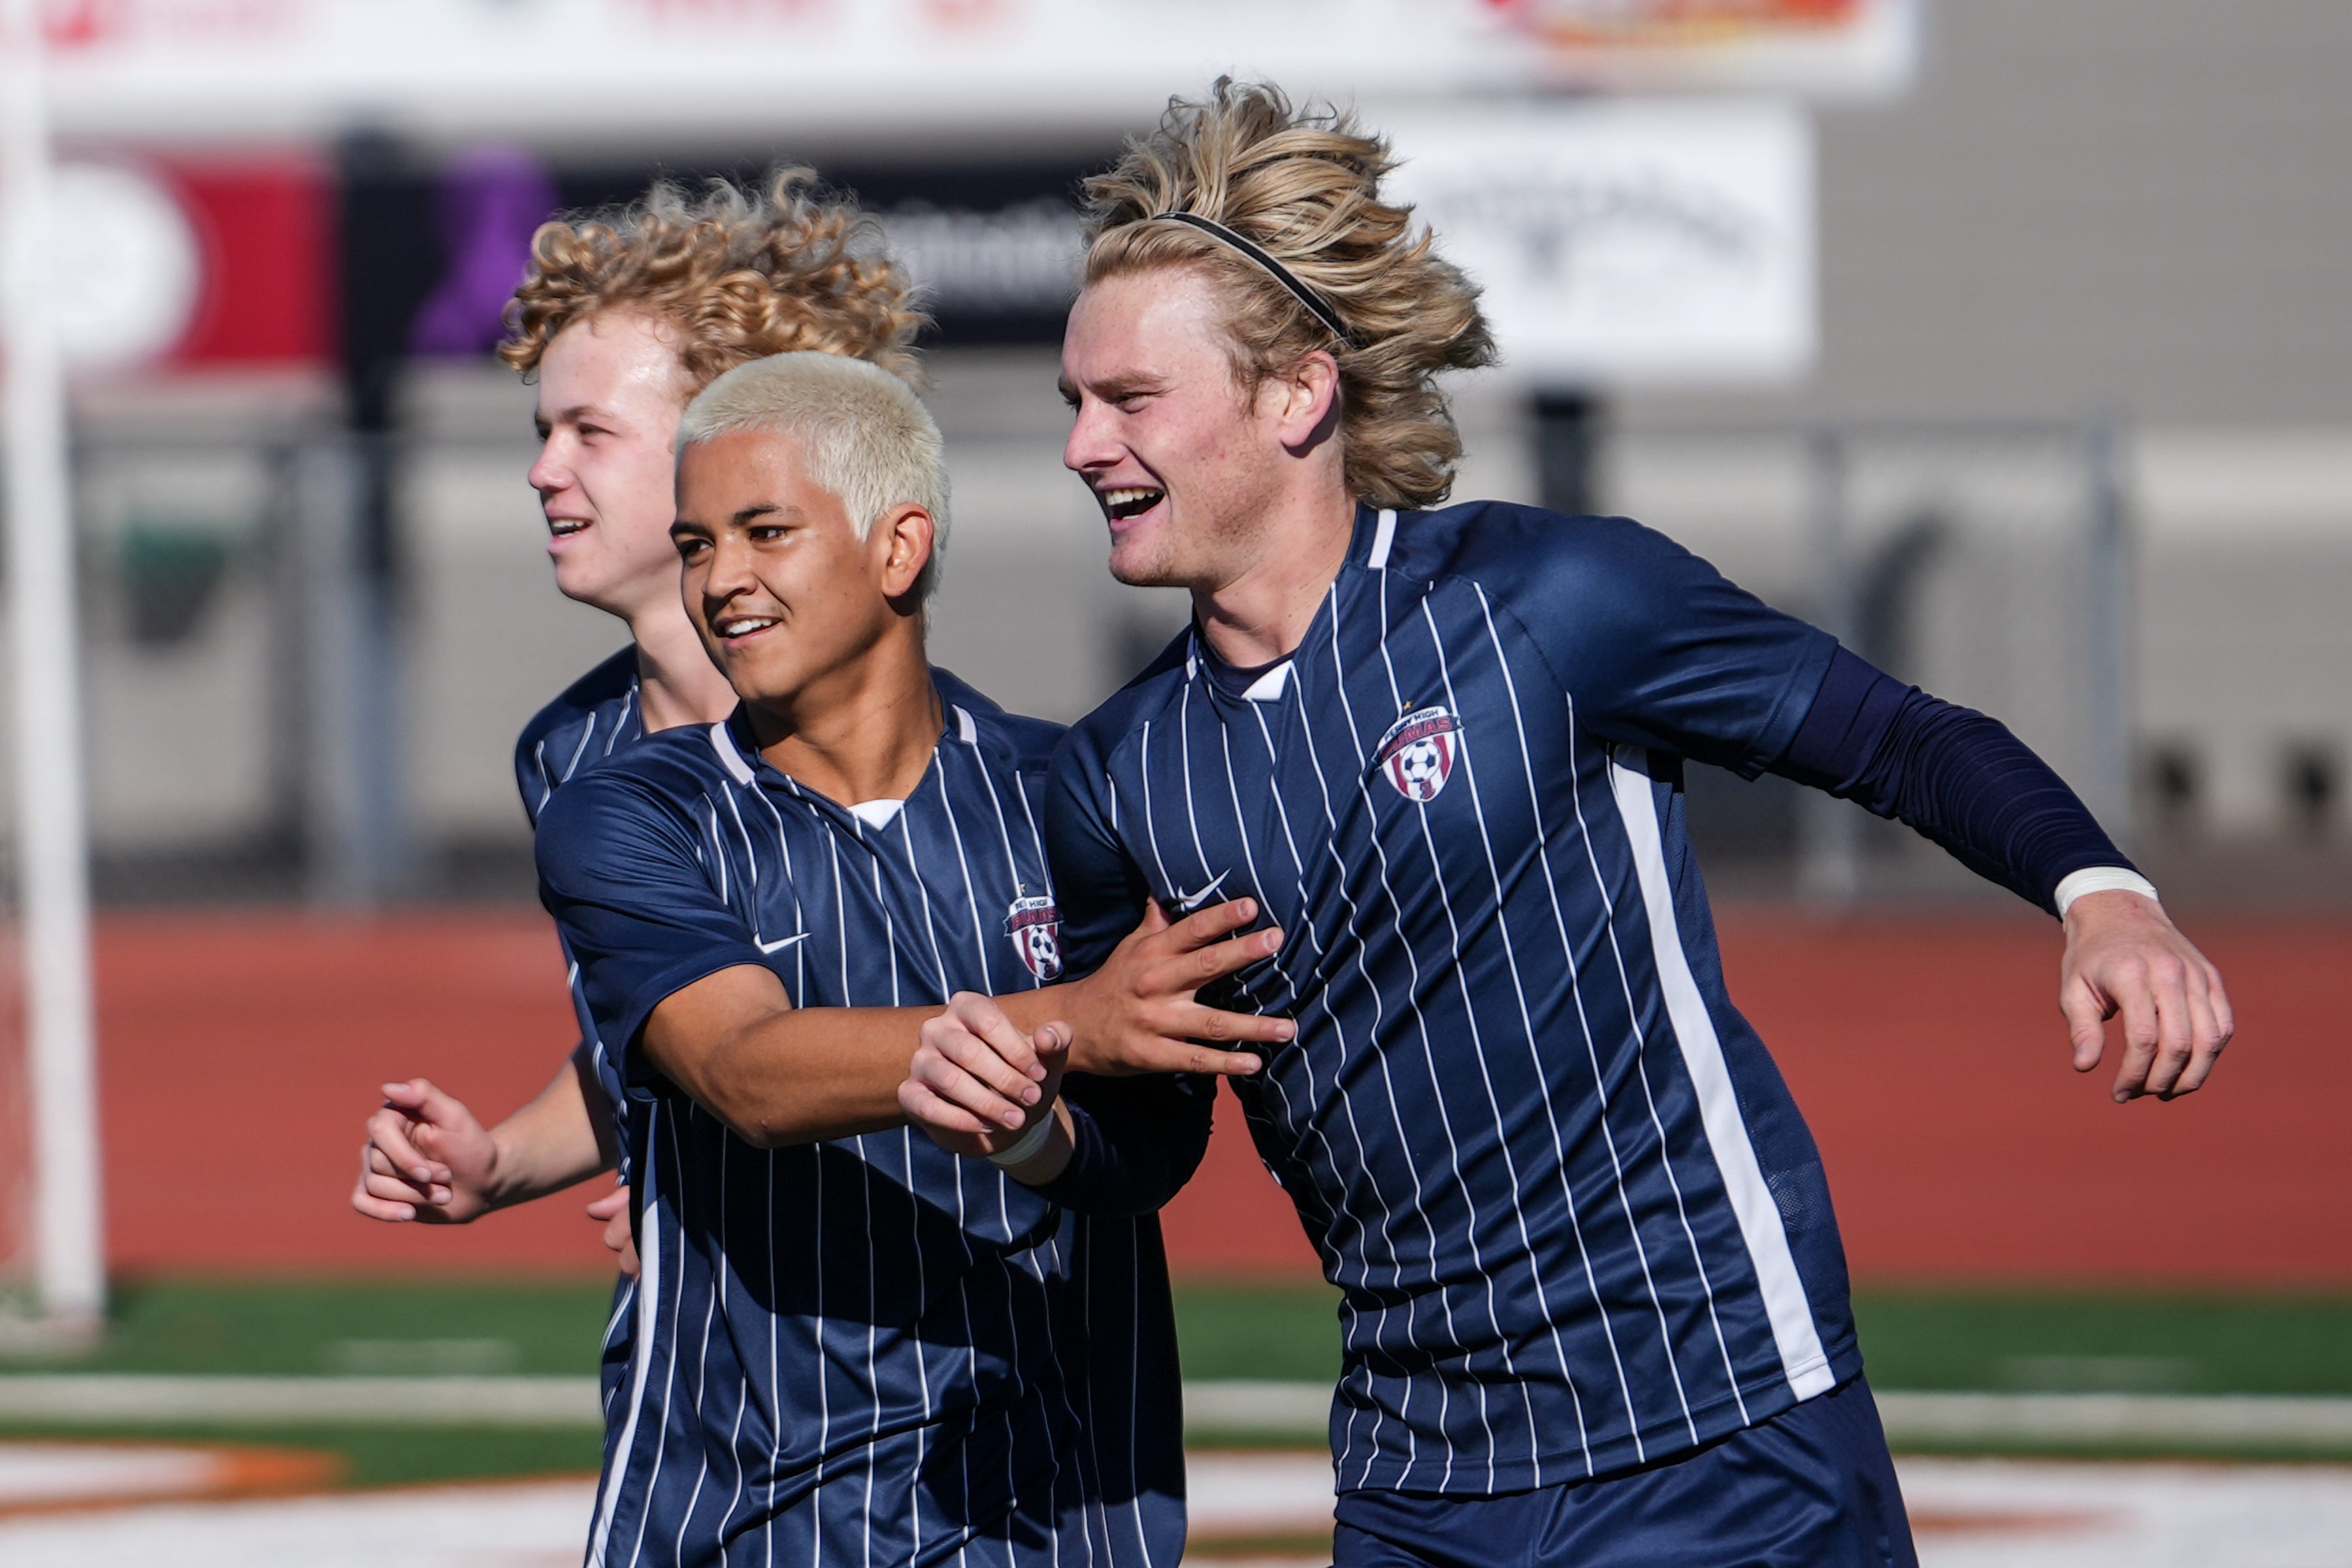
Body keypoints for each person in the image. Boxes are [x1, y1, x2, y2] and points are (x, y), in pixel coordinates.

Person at [900, 81, 2236, 1568]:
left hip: (1721, 1428)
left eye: (1130, 400)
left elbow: (1898, 737)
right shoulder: (1110, 779)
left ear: (1297, 394)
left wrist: (2099, 890)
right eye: (1078, 402)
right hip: (1421, 1479)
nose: (1084, 444)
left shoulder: (1555, 605)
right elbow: (1149, 1141)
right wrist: (1032, 1130)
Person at [536, 350, 1270, 1565]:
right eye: (697, 543)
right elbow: (748, 1073)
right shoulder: (630, 815)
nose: (721, 580)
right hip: (745, 1517)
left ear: (899, 548)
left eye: (764, 531)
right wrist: (1073, 1022)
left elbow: (1153, 1149)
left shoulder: (1081, 792)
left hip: (1059, 1511)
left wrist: (1043, 1127)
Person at [351, 170, 928, 1264]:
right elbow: (667, 1040)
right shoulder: (569, 753)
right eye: (542, 429)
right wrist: (501, 1164)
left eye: (589, 432)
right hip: (698, 1397)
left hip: (935, 1366)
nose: (541, 469)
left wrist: (745, 1177)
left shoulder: (915, 739)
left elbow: (992, 1057)